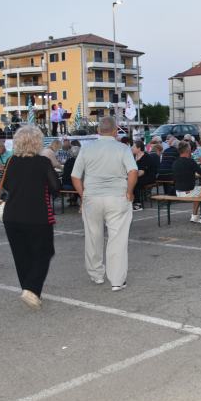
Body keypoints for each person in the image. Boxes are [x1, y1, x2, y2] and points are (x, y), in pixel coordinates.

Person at [71, 117, 138, 292]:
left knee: (93, 237)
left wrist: (83, 195)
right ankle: (116, 280)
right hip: (117, 197)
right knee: (117, 239)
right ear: (116, 131)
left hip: (92, 197)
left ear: (98, 131)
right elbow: (132, 171)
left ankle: (96, 274)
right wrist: (129, 192)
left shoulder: (87, 149)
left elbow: (75, 176)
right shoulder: (123, 148)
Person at [1, 125, 60, 309]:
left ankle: (31, 291)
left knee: (22, 255)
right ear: (37, 142)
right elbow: (55, 188)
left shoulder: (11, 161)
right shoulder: (42, 163)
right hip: (37, 215)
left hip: (12, 215)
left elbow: (7, 186)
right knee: (44, 252)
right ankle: (31, 289)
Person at [172, 141, 201, 224]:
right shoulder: (190, 161)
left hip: (178, 191)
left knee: (198, 191)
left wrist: (193, 175)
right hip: (188, 191)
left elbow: (181, 175)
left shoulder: (175, 162)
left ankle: (194, 216)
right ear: (188, 150)